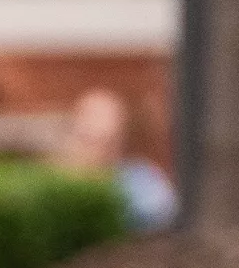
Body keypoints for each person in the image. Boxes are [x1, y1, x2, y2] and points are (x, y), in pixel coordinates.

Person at [51, 87, 178, 231]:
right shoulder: (57, 183)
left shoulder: (142, 181)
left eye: (108, 141)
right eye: (89, 140)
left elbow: (162, 213)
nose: (98, 150)